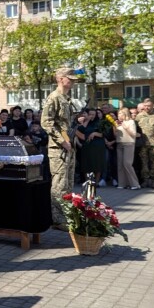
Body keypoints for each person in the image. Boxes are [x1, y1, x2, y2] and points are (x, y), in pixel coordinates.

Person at [40, 67, 77, 230]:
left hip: (69, 146)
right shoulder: (54, 97)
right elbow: (46, 122)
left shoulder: (67, 99)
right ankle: (58, 219)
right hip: (59, 148)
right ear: (60, 79)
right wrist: (62, 141)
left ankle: (67, 215)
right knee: (59, 185)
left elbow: (64, 122)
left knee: (68, 183)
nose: (73, 81)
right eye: (70, 78)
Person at [75, 108, 106, 185]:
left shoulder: (100, 122)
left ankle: (96, 182)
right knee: (86, 164)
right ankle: (88, 181)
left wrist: (94, 133)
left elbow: (104, 134)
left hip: (98, 146)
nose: (91, 116)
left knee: (97, 164)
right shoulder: (84, 123)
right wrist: (87, 120)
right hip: (87, 146)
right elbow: (80, 130)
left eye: (93, 114)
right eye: (89, 114)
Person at [135, 102, 154, 188]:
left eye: (149, 106)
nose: (147, 107)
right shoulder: (139, 116)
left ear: (152, 106)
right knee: (144, 163)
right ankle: (145, 180)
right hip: (143, 144)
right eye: (145, 106)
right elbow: (135, 128)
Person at [115, 107, 141, 189]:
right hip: (119, 143)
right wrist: (115, 127)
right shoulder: (118, 122)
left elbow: (134, 134)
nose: (118, 115)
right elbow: (115, 135)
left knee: (127, 163)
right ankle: (122, 183)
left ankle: (135, 184)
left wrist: (125, 127)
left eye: (120, 113)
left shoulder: (130, 122)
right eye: (118, 114)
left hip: (129, 143)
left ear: (125, 114)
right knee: (120, 164)